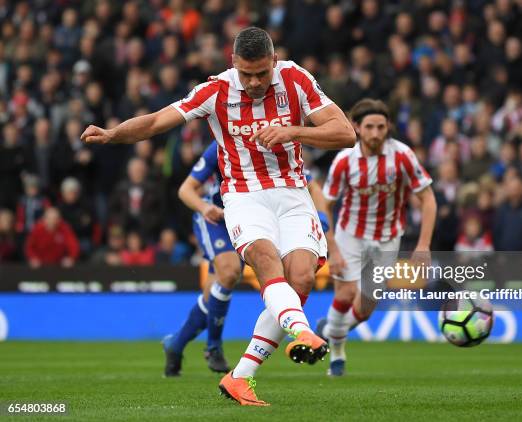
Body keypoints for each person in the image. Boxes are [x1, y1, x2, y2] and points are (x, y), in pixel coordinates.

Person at [81, 27, 355, 406]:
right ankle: (303, 332)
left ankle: (240, 377)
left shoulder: (295, 78)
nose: (255, 82)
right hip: (244, 195)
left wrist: (292, 130)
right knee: (264, 258)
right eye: (247, 74)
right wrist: (113, 134)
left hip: (293, 192)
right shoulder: (216, 90)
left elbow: (346, 133)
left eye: (262, 73)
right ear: (233, 65)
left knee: (303, 277)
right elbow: (158, 121)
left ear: (274, 61)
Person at [163, 139, 332, 377]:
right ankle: (214, 346)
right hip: (218, 218)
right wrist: (203, 208)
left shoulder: (273, 139)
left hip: (259, 217)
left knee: (213, 291)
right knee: (230, 271)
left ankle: (176, 344)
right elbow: (185, 189)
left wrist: (321, 215)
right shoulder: (222, 142)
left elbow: (310, 183)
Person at [317, 99, 437, 376]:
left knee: (367, 307)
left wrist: (423, 245)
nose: (375, 133)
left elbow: (428, 199)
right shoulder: (344, 161)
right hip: (350, 235)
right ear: (357, 127)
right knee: (346, 293)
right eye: (369, 126)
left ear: (388, 127)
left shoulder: (403, 156)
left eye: (381, 127)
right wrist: (332, 247)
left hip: (388, 238)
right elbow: (326, 204)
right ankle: (336, 354)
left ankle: (330, 331)